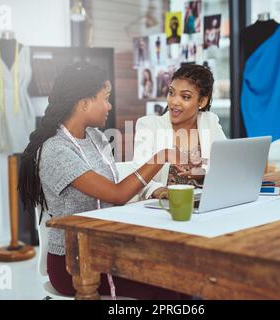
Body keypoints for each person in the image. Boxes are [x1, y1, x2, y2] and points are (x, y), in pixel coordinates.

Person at [18, 61, 184, 299]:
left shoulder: (96, 137)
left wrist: (152, 189)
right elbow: (116, 193)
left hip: (108, 248)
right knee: (169, 290)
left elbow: (113, 180)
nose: (109, 105)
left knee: (184, 280)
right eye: (105, 98)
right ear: (84, 103)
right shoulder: (56, 150)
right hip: (74, 262)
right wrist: (161, 157)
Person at [133, 64, 227, 200]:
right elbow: (136, 173)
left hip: (204, 201)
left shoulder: (210, 121)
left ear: (202, 101)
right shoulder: (149, 125)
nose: (174, 101)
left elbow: (224, 165)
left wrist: (203, 173)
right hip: (163, 206)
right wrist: (157, 189)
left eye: (186, 97)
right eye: (171, 93)